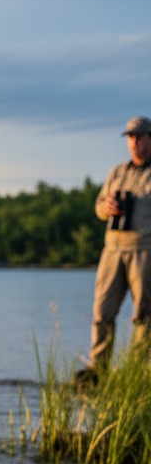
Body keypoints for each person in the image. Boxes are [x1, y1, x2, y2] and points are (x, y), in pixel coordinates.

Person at [84, 116, 151, 377]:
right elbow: (99, 207)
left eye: (140, 137)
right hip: (112, 249)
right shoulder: (117, 172)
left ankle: (136, 373)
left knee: (144, 315)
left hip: (145, 249)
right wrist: (107, 207)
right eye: (131, 138)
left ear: (150, 139)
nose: (135, 142)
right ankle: (97, 371)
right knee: (102, 312)